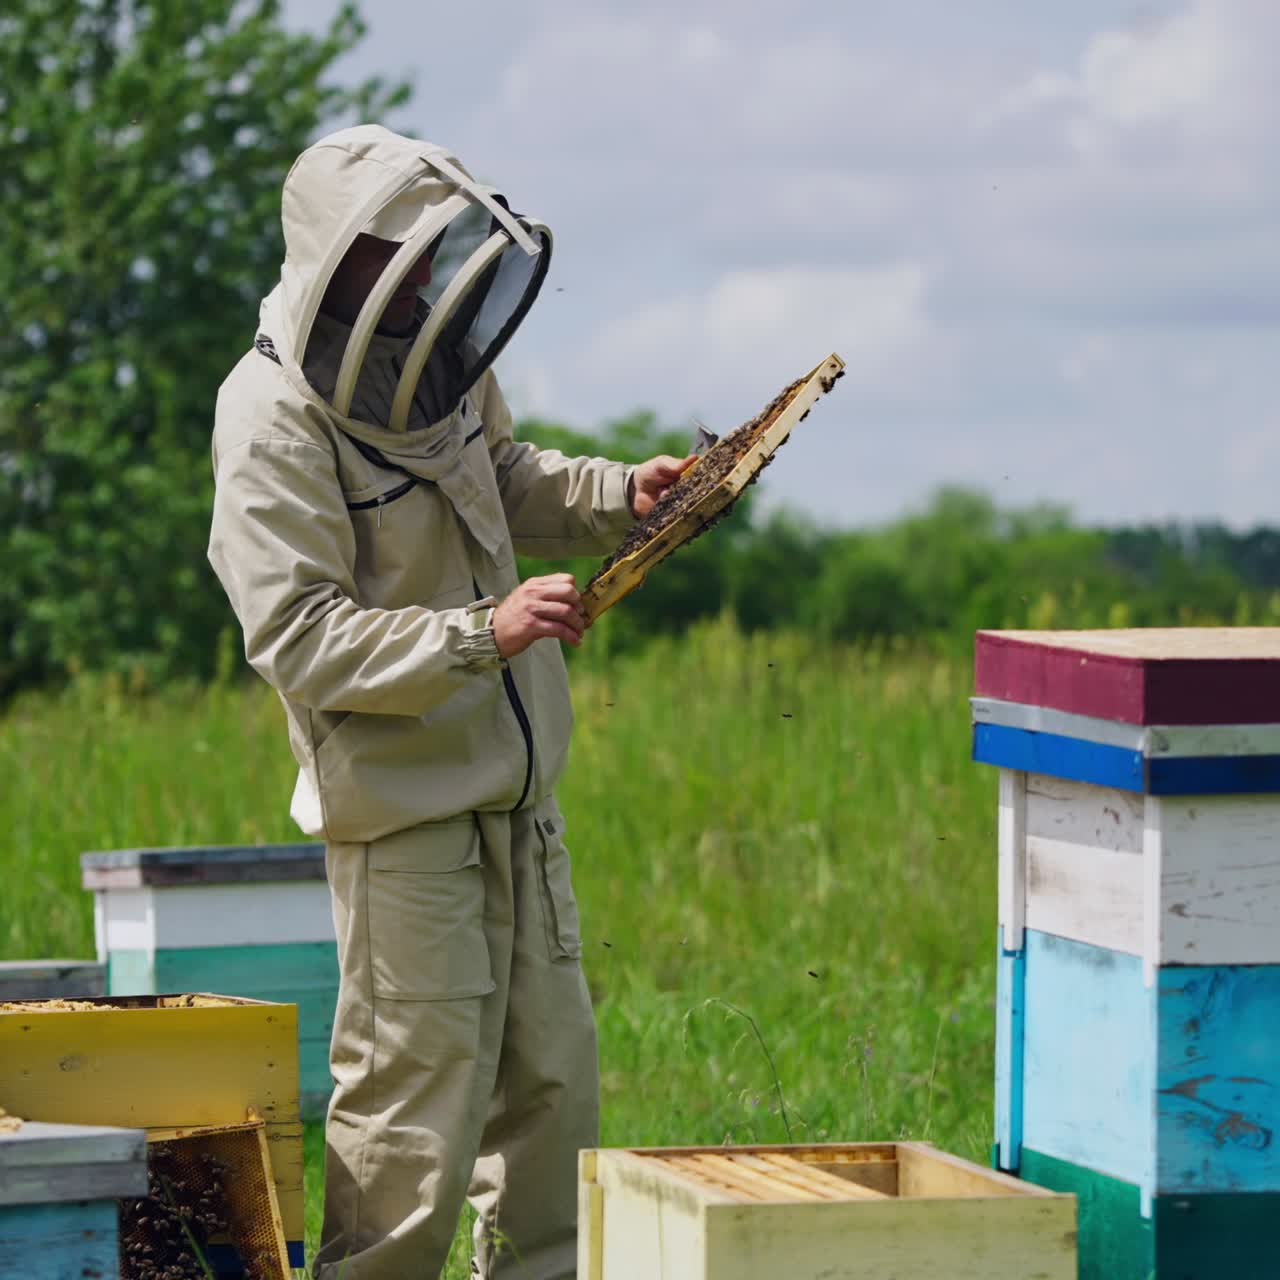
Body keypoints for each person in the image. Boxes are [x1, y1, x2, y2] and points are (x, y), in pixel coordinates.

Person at [207, 125, 693, 1280]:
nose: (422, 281)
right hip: (404, 820)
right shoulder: (269, 417)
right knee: (411, 1133)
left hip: (517, 804)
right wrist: (483, 632)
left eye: (429, 256)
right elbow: (297, 634)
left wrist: (623, 490)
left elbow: (505, 474)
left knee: (550, 1105)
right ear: (337, 260)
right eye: (396, 258)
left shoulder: (437, 359)